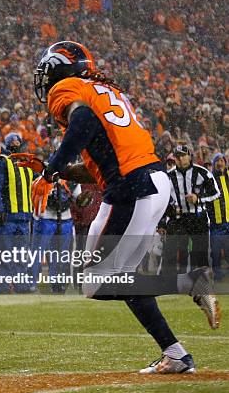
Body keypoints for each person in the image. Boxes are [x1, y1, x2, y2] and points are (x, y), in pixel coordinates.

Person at [30, 40, 220, 373]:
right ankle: (175, 354)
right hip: (150, 180)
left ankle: (190, 282)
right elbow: (98, 165)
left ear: (58, 67)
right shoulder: (101, 89)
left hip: (132, 188)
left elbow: (83, 122)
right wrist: (56, 168)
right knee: (121, 279)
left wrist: (49, 171)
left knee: (95, 283)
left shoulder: (66, 88)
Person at [0, 133, 34, 294]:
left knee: (21, 254)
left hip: (23, 216)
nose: (15, 143)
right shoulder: (1, 162)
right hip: (7, 216)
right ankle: (2, 286)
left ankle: (21, 285)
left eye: (17, 141)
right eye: (12, 141)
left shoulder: (27, 163)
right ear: (7, 144)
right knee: (4, 252)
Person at [162, 144, 219, 275]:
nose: (180, 159)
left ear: (189, 156)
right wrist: (166, 217)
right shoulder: (168, 176)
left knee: (200, 253)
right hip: (177, 219)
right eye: (177, 156)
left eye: (183, 155)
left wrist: (198, 198)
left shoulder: (202, 172)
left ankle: (201, 283)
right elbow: (162, 201)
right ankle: (167, 284)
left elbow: (216, 193)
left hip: (198, 217)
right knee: (170, 252)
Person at [210, 153, 228, 281]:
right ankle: (217, 274)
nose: (220, 163)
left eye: (222, 161)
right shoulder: (210, 179)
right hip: (216, 222)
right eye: (218, 161)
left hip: (228, 221)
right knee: (215, 252)